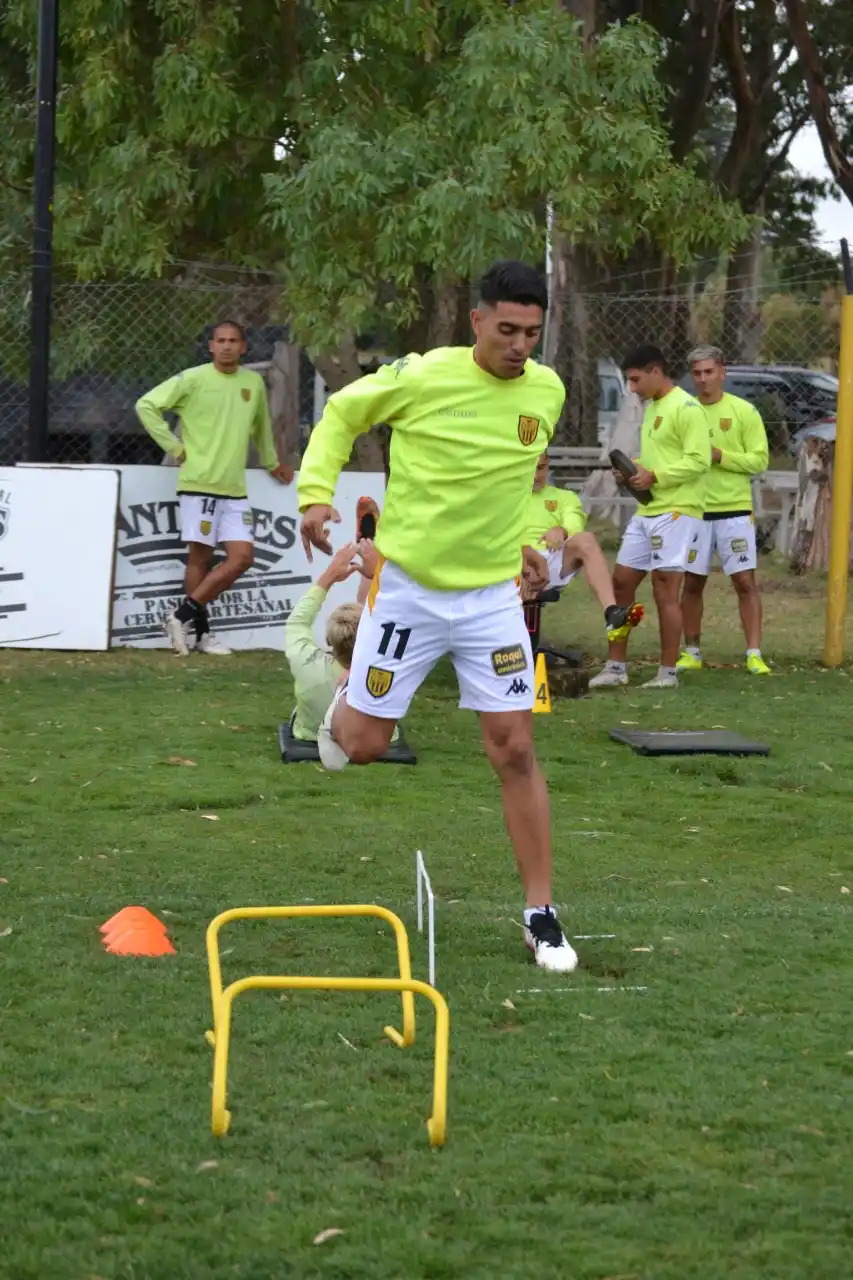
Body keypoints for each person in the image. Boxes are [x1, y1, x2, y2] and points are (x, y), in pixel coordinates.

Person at [298, 260, 577, 973]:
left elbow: (506, 480)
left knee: (513, 748)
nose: (519, 345)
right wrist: (314, 493)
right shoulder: (421, 376)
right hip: (409, 593)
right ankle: (339, 705)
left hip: (490, 601)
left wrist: (518, 543)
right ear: (476, 320)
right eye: (506, 329)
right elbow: (340, 413)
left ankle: (540, 914)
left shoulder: (545, 391)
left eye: (531, 333)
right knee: (362, 745)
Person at [135, 320, 293, 656]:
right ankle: (202, 634)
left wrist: (271, 463)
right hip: (199, 486)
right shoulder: (193, 379)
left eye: (233, 340)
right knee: (201, 558)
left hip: (234, 489)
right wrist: (175, 448)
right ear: (211, 346)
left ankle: (179, 616)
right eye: (220, 340)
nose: (226, 346)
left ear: (244, 347)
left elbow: (262, 428)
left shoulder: (253, 383)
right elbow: (146, 405)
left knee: (242, 558)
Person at [589, 344, 710, 690]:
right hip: (648, 510)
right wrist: (633, 471)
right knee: (621, 582)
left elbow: (699, 460)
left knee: (664, 589)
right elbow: (658, 457)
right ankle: (615, 667)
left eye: (635, 379)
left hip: (678, 511)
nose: (632, 387)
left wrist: (655, 476)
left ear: (656, 372)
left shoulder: (688, 408)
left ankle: (667, 673)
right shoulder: (654, 406)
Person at [677, 346, 771, 675]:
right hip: (694, 510)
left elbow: (759, 461)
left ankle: (754, 654)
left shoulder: (744, 412)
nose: (703, 379)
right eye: (697, 373)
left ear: (722, 372)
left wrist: (720, 456)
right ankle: (692, 652)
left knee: (745, 582)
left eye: (709, 371)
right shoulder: (684, 411)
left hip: (734, 511)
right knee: (691, 583)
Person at [284, 540, 404, 741]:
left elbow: (297, 622)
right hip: (377, 740)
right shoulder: (394, 660)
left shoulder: (306, 661)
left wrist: (330, 574)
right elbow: (402, 615)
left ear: (328, 640)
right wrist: (379, 574)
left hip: (312, 735)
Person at [522, 452, 644, 645]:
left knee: (585, 539)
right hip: (515, 562)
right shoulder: (506, 499)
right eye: (530, 469)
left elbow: (575, 523)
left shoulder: (563, 497)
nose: (536, 476)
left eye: (541, 468)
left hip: (553, 558)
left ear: (548, 466)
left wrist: (561, 530)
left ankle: (612, 614)